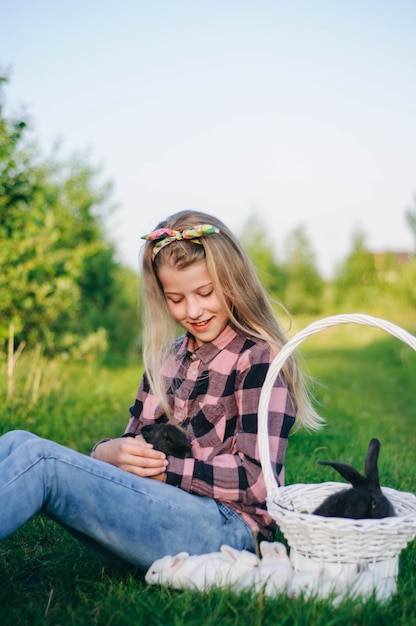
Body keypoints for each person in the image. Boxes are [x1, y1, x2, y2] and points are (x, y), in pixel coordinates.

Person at [0, 210, 322, 571]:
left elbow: (260, 482)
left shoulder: (258, 358)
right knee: (17, 441)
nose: (193, 310)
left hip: (231, 531)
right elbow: (134, 446)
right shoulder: (167, 359)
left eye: (205, 292)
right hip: (164, 508)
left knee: (42, 463)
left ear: (234, 283)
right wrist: (106, 453)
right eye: (176, 298)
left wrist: (166, 469)